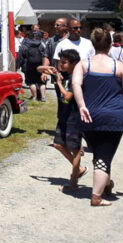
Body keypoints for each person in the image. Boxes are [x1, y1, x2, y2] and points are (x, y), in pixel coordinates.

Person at [72, 28, 123, 207]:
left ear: (93, 44)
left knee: (100, 152)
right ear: (110, 45)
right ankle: (96, 196)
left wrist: (81, 105)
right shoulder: (119, 66)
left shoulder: (83, 64)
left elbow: (76, 84)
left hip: (88, 116)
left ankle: (106, 184)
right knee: (103, 156)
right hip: (113, 117)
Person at [39, 49, 85, 191]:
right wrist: (48, 69)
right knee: (58, 144)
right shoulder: (62, 74)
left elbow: (68, 96)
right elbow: (38, 69)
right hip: (63, 116)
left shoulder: (75, 78)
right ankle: (79, 169)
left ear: (74, 63)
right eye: (60, 62)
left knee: (75, 149)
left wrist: (59, 83)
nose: (61, 64)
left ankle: (73, 182)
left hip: (74, 117)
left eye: (64, 62)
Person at [17, 30, 46, 101]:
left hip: (28, 66)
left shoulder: (25, 45)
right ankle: (43, 97)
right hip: (40, 65)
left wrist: (17, 66)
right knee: (41, 81)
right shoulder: (41, 44)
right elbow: (45, 55)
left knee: (31, 82)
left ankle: (34, 97)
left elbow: (20, 57)